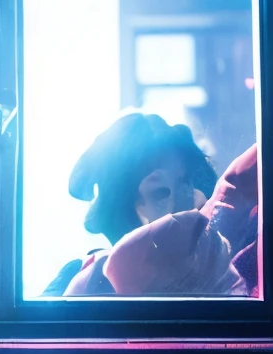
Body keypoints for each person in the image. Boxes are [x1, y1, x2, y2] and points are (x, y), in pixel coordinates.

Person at [46, 110, 219, 297]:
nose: (183, 203)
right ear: (123, 205)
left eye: (185, 184)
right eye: (160, 193)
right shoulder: (86, 279)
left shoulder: (220, 270)